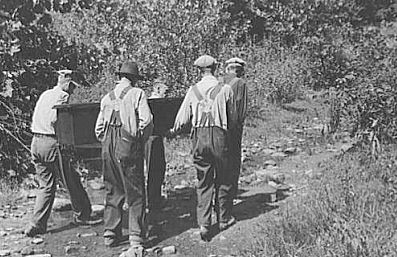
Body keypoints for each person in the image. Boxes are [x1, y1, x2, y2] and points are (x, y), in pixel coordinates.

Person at [26, 69, 102, 237]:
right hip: (51, 143)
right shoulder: (62, 96)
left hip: (36, 142)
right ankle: (83, 215)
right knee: (71, 179)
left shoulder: (46, 94)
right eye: (73, 87)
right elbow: (57, 120)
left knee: (45, 186)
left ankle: (36, 224)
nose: (74, 90)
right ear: (67, 84)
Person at [169, 55, 236, 241]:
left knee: (203, 181)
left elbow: (182, 118)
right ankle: (223, 219)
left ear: (199, 70)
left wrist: (173, 130)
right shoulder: (226, 89)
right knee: (223, 178)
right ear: (215, 68)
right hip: (219, 136)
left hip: (199, 137)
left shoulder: (193, 90)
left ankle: (204, 224)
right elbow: (233, 118)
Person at [95, 61, 153, 257]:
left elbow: (99, 129)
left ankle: (110, 233)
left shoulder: (106, 97)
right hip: (128, 144)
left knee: (112, 189)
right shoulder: (137, 94)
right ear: (134, 79)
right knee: (135, 191)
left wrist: (106, 143)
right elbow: (147, 121)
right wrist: (138, 140)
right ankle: (136, 237)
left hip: (108, 147)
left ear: (120, 77)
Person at [222, 57, 248, 230]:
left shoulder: (219, 83)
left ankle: (218, 207)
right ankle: (228, 208)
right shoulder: (240, 84)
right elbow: (241, 110)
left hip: (217, 131)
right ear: (239, 70)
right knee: (232, 167)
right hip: (233, 131)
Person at [145, 79, 168, 213]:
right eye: (165, 91)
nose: (166, 94)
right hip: (153, 138)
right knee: (155, 167)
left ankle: (153, 198)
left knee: (156, 167)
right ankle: (154, 200)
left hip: (153, 137)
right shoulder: (155, 103)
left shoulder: (151, 102)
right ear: (157, 89)